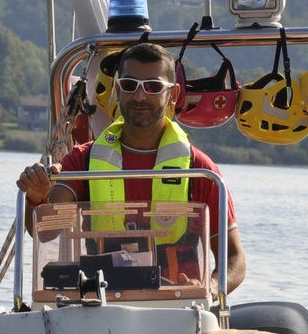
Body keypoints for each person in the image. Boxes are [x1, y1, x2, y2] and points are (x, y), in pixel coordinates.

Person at [14, 41, 247, 291]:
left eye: (153, 87)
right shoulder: (82, 161)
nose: (139, 96)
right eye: (129, 85)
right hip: (99, 306)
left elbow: (235, 260)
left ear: (174, 94)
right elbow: (47, 234)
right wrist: (36, 200)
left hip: (178, 309)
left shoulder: (199, 169)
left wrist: (209, 288)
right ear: (118, 89)